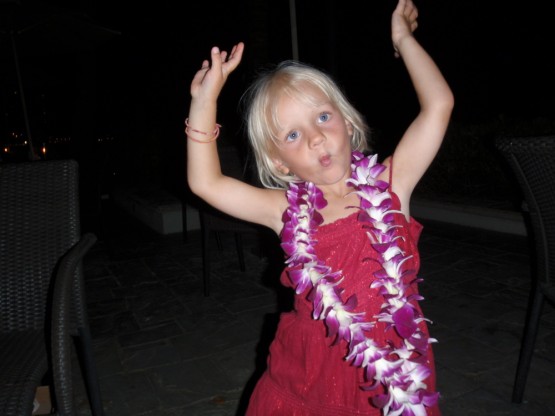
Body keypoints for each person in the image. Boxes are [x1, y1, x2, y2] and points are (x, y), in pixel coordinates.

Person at [186, 0, 453, 414]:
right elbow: (206, 183)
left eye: (323, 117)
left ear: (347, 122)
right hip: (309, 373)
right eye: (292, 134)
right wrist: (204, 103)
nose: (315, 137)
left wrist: (403, 39)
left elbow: (438, 106)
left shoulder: (391, 183)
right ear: (278, 162)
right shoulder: (283, 211)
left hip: (392, 373)